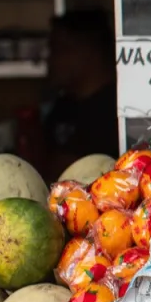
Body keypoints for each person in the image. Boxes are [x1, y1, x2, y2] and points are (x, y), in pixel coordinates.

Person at [43, 10, 118, 179]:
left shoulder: (113, 112)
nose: (50, 59)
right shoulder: (63, 106)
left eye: (59, 49)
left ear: (89, 52)